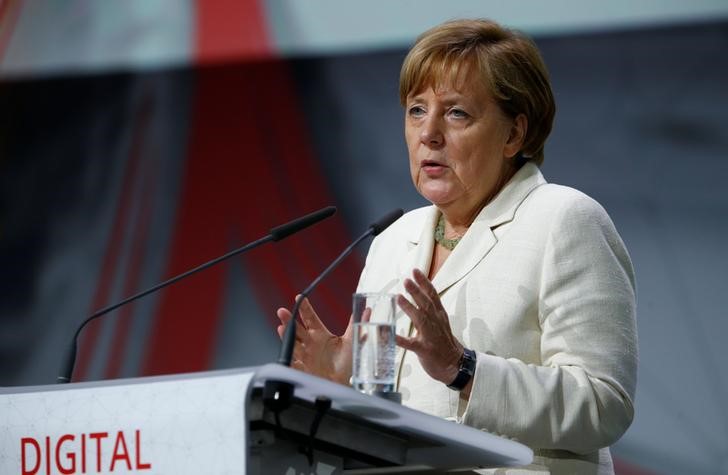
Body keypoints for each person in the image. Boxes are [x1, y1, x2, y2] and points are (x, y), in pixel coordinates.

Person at [276, 18, 637, 474]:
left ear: (514, 134)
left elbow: (605, 404)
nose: (429, 133)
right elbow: (391, 424)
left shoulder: (563, 220)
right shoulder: (392, 241)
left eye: (456, 113)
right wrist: (339, 385)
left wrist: (462, 368)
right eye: (416, 110)